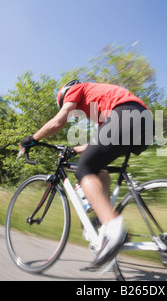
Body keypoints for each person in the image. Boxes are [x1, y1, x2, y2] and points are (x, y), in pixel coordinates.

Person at [19, 80, 153, 267]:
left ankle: (114, 227)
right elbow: (97, 144)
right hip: (143, 121)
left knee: (84, 169)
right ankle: (105, 220)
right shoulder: (99, 108)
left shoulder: (76, 89)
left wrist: (32, 139)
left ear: (66, 95)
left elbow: (59, 121)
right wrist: (75, 149)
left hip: (127, 115)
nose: (74, 113)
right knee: (98, 167)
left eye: (68, 106)